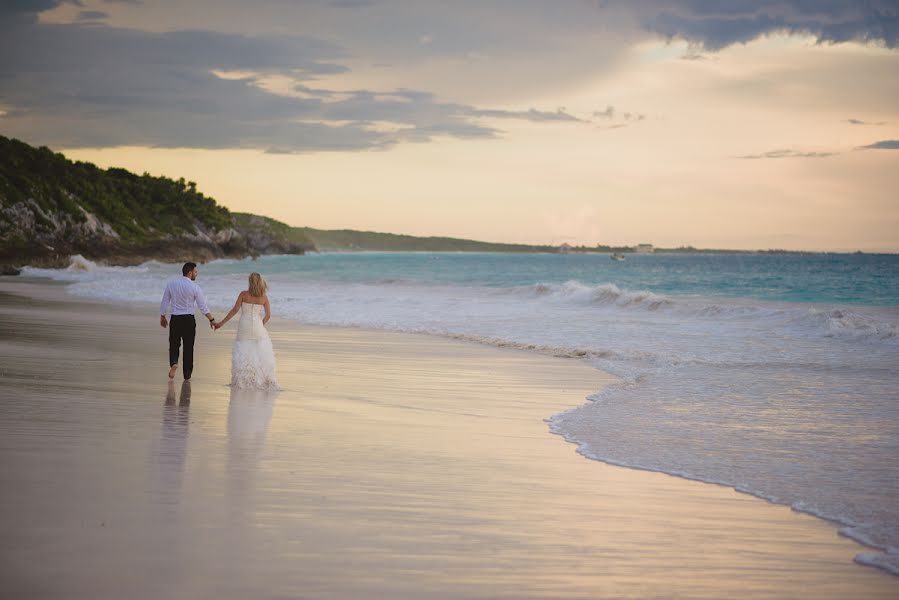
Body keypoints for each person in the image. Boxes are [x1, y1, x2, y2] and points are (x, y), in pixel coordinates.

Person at [214, 272, 280, 390]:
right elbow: (268, 315)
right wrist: (260, 324)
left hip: (244, 325)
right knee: (259, 353)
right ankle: (261, 381)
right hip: (258, 326)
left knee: (243, 351)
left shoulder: (243, 294)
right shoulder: (263, 297)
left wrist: (221, 323)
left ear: (250, 282)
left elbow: (234, 310)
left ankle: (243, 381)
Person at [160, 262, 216, 380]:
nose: (196, 274)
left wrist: (162, 316)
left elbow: (165, 301)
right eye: (195, 272)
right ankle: (187, 374)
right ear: (190, 272)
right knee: (188, 347)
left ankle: (174, 362)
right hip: (189, 320)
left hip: (175, 318)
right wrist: (211, 319)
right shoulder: (195, 287)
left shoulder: (171, 284)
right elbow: (203, 307)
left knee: (174, 344)